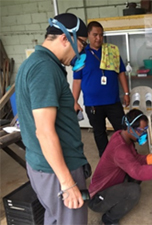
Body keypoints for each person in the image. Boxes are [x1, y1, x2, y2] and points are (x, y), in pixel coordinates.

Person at [15, 13, 90, 225]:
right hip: (57, 169)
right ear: (66, 38)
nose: (82, 50)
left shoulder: (38, 63)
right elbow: (44, 132)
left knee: (56, 218)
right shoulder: (44, 68)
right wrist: (67, 183)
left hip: (48, 167)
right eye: (82, 43)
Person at [88, 109, 152, 225]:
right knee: (134, 190)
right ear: (129, 128)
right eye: (140, 131)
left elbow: (136, 159)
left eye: (145, 130)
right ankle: (109, 219)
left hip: (112, 184)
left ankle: (116, 198)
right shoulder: (120, 149)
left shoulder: (122, 136)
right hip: (97, 198)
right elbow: (138, 172)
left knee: (139, 173)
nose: (143, 134)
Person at [72, 21, 130, 157]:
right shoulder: (81, 55)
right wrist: (74, 101)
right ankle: (106, 159)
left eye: (101, 35)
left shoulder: (111, 51)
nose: (98, 38)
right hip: (93, 104)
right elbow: (77, 80)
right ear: (88, 35)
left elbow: (121, 72)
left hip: (113, 101)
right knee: (99, 133)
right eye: (95, 35)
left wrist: (126, 93)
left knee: (122, 131)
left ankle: (128, 156)